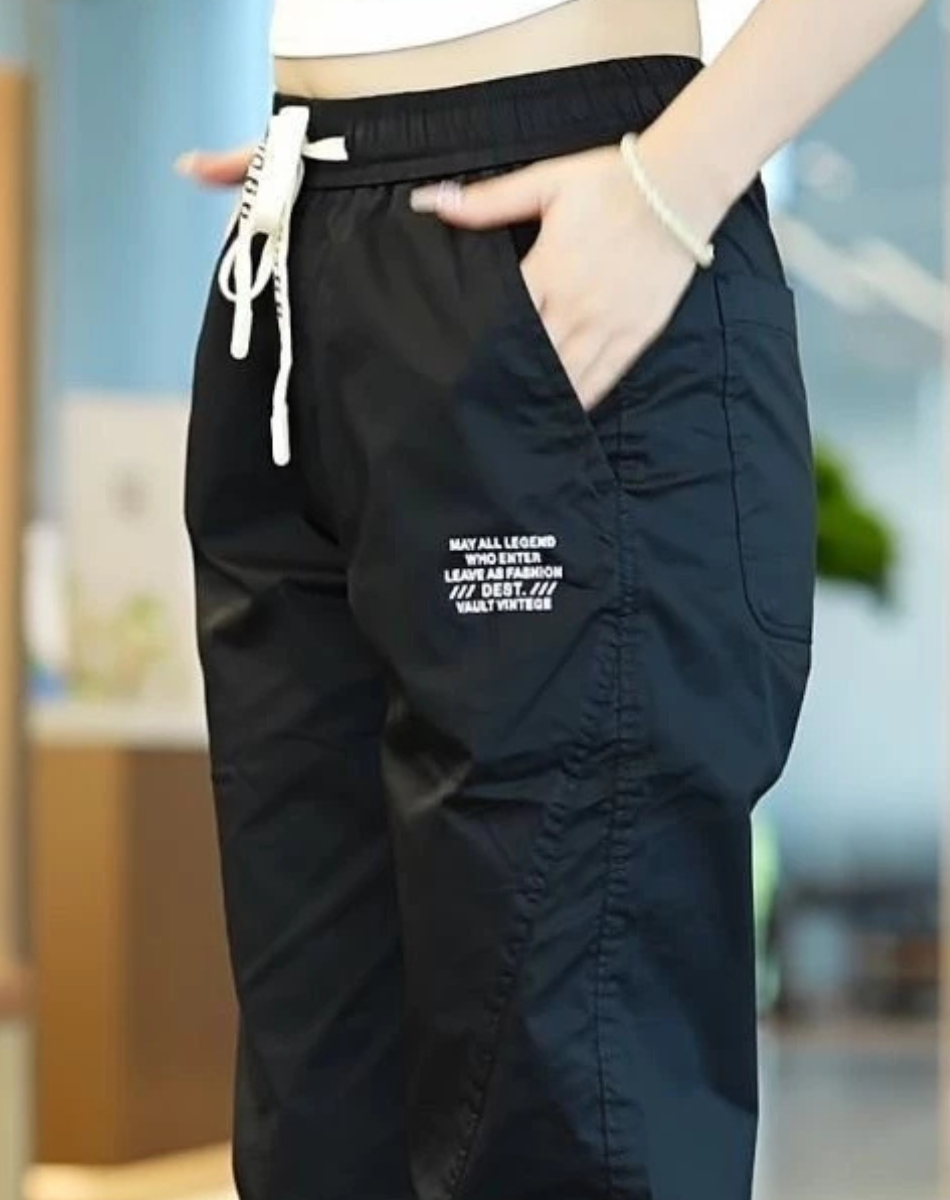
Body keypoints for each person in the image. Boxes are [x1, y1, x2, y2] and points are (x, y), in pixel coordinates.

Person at [177, 3, 926, 1198]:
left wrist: (673, 186)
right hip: (306, 231)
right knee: (318, 1122)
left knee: (562, 1105)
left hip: (555, 215)